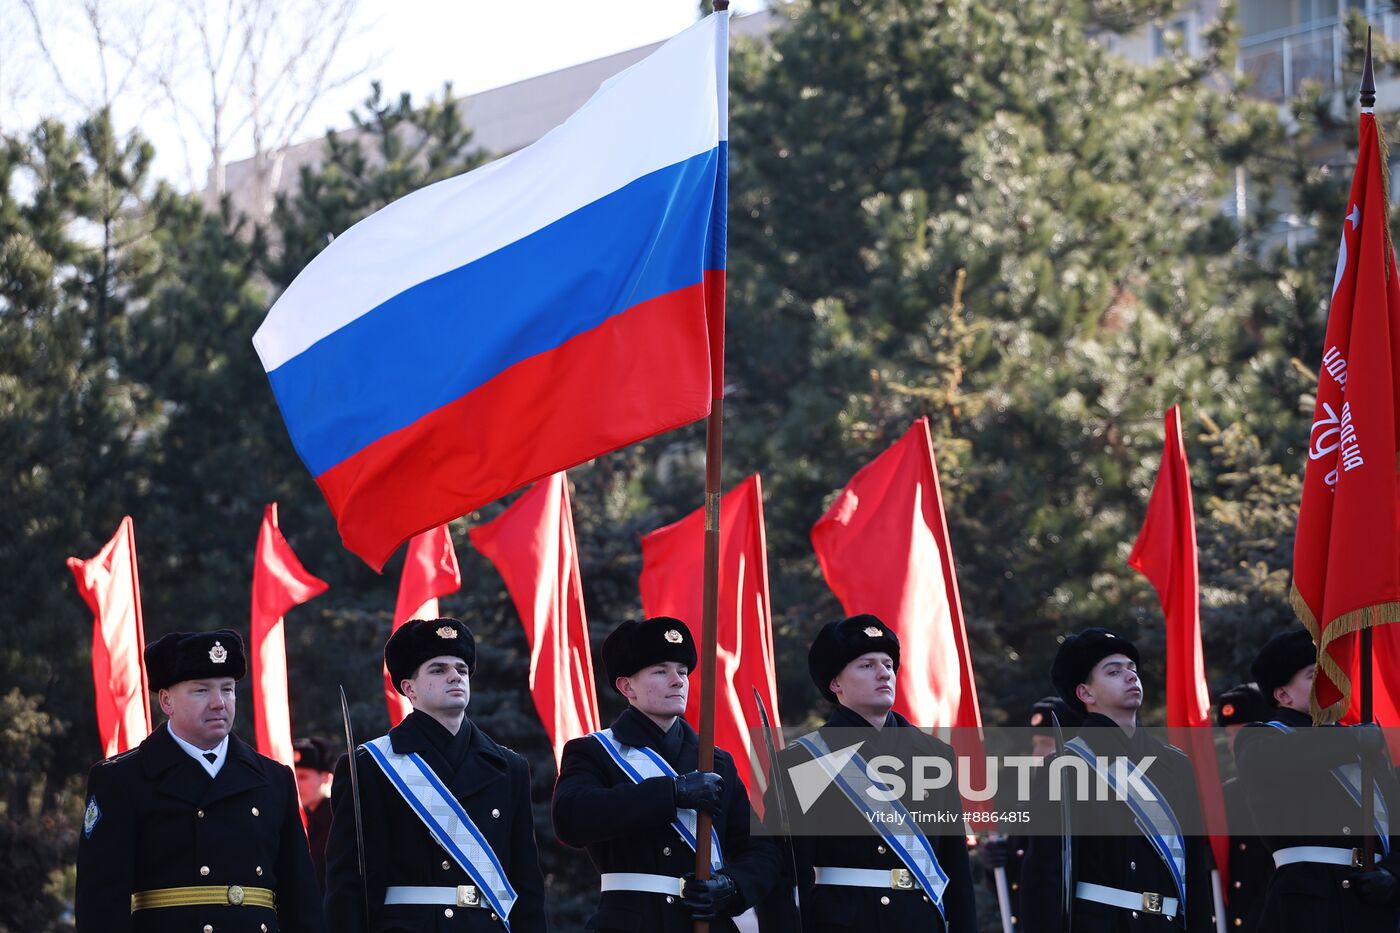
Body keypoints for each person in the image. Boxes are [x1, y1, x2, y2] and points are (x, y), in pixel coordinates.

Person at [75, 629, 326, 933]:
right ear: (166, 701)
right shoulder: (122, 779)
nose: (219, 702)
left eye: (228, 689)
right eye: (201, 690)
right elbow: (101, 905)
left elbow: (301, 902)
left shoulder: (273, 779)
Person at [552, 616, 780, 932]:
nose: (678, 680)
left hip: (704, 922)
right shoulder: (594, 752)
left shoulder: (717, 762)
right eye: (661, 671)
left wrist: (730, 886)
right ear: (626, 686)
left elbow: (761, 851)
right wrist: (670, 794)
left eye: (683, 672)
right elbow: (570, 817)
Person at [323, 617, 547, 932]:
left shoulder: (509, 768)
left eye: (462, 669)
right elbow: (348, 885)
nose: (455, 676)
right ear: (409, 688)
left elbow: (527, 885)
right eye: (438, 669)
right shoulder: (370, 766)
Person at [766, 614, 978, 933]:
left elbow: (956, 870)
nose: (884, 674)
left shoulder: (935, 755)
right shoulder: (803, 761)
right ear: (835, 683)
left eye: (888, 664)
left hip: (919, 922)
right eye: (867, 665)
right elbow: (782, 873)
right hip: (842, 922)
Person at [1021, 628, 1212, 931]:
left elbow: (1196, 876)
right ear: (1085, 693)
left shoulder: (1175, 764)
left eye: (1132, 669)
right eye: (1113, 671)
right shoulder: (1067, 766)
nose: (1130, 676)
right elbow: (1045, 878)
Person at [1235, 628, 1400, 932]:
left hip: (1373, 907)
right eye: (1313, 675)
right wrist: (1351, 739)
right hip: (1309, 905)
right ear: (1283, 695)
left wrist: (1393, 874)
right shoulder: (1262, 738)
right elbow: (1278, 761)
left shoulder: (1362, 744)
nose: (1328, 681)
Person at [978, 696, 1082, 927]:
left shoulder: (1086, 804)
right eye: (1035, 745)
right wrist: (997, 863)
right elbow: (1019, 885)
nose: (1037, 755)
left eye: (1046, 745)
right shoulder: (1030, 806)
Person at [1213, 682, 1272, 932]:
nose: (1232, 744)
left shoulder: (1291, 789)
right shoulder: (1226, 794)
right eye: (1229, 735)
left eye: (1241, 734)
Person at [292, 736, 335, 890]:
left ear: (325, 777)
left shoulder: (337, 820)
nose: (296, 784)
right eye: (293, 777)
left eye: (303, 777)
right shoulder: (307, 819)